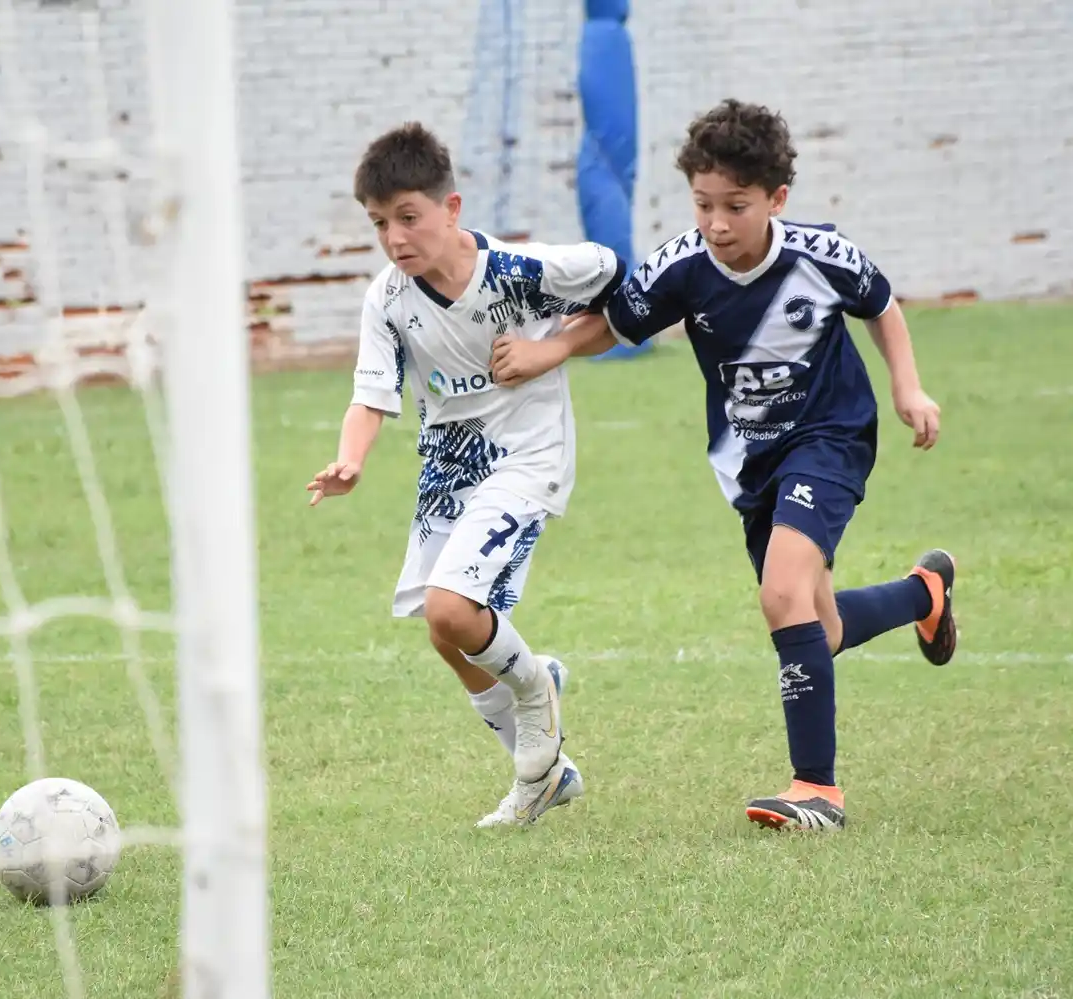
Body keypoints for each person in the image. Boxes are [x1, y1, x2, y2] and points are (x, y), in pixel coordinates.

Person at [491, 99, 957, 832]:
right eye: (703, 204)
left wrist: (907, 384)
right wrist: (548, 349)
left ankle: (818, 792)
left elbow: (883, 304)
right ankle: (923, 594)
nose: (716, 223)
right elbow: (616, 321)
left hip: (830, 437)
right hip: (749, 462)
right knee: (817, 626)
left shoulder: (819, 254)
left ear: (776, 198)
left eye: (735, 206)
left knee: (780, 597)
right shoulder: (684, 266)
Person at [307, 122, 625, 827]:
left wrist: (553, 350)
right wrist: (351, 458)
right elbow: (371, 393)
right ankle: (546, 774)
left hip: (528, 455)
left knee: (455, 610)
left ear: (451, 210)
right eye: (380, 223)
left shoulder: (523, 271)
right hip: (450, 467)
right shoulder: (387, 300)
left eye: (409, 217)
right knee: (443, 630)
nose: (395, 238)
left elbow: (620, 294)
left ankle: (537, 688)